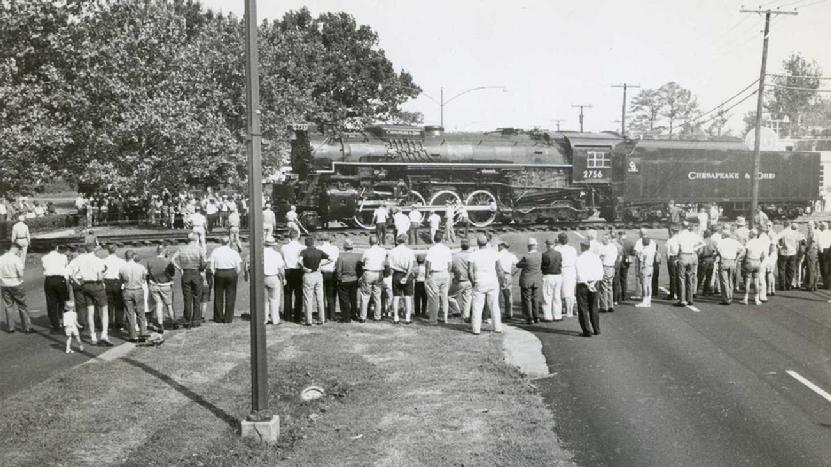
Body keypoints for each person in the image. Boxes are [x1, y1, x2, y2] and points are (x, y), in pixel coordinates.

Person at [72, 243, 112, 345]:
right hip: (96, 285)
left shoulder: (81, 260)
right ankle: (104, 334)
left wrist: (78, 282)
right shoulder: (97, 260)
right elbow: (99, 277)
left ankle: (93, 336)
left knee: (90, 310)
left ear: (85, 250)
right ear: (94, 249)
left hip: (85, 285)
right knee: (104, 309)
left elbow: (71, 273)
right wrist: (104, 275)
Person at [469, 234, 504, 335]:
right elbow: (499, 269)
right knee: (494, 306)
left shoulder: (473, 254)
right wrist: (502, 281)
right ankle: (497, 327)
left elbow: (470, 271)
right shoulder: (494, 253)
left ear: (478, 243)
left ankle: (476, 329)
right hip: (492, 281)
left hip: (479, 281)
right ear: (487, 242)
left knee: (477, 306)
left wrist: (473, 282)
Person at [171, 233, 206, 327]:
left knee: (187, 298)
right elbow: (204, 263)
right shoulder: (199, 249)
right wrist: (201, 268)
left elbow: (172, 259)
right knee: (197, 298)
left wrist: (179, 268)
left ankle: (187, 320)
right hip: (196, 273)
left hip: (185, 273)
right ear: (196, 239)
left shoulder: (182, 248)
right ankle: (196, 320)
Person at [1, 243, 33, 333]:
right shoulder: (16, 259)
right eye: (19, 250)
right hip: (16, 283)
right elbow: (20, 274)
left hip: (4, 284)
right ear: (16, 249)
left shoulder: (1, 258)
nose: (20, 252)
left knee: (8, 306)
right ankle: (27, 327)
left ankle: (10, 328)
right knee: (22, 305)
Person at [210, 237, 243, 324]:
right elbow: (239, 268)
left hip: (219, 272)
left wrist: (214, 273)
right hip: (231, 272)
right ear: (229, 242)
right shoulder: (234, 252)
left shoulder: (215, 251)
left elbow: (211, 266)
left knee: (218, 295)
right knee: (231, 296)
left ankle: (219, 317)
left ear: (221, 242)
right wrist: (235, 274)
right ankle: (228, 318)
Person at [119, 250, 149, 342]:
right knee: (141, 313)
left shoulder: (122, 268)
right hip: (138, 290)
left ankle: (132, 335)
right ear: (133, 256)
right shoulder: (141, 267)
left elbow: (121, 280)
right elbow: (144, 278)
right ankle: (143, 333)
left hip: (128, 290)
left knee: (130, 313)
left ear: (126, 257)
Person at [299, 235, 330, 325]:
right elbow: (331, 259)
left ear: (306, 244)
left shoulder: (304, 252)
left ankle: (309, 320)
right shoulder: (319, 251)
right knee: (320, 298)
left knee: (308, 298)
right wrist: (321, 265)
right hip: (318, 274)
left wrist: (304, 268)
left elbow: (299, 261)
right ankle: (321, 319)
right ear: (313, 243)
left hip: (309, 274)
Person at [145, 244, 176, 332]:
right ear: (164, 251)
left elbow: (149, 274)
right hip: (165, 285)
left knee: (159, 304)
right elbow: (172, 273)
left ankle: (160, 324)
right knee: (169, 304)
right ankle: (173, 321)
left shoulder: (150, 261)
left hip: (154, 285)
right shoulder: (167, 261)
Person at [575, 240, 603, 337]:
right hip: (594, 283)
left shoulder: (579, 258)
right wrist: (593, 284)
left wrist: (587, 284)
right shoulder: (596, 258)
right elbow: (600, 272)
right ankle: (596, 328)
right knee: (594, 307)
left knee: (583, 308)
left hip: (583, 285)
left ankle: (587, 331)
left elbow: (579, 274)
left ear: (582, 247)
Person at [425, 230, 453, 324]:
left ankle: (434, 319)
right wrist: (447, 273)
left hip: (435, 274)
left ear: (434, 239)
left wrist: (426, 276)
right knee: (444, 297)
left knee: (434, 297)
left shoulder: (432, 249)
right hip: (445, 273)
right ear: (442, 239)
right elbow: (450, 264)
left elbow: (428, 264)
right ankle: (445, 318)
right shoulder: (447, 249)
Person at [389, 235, 417, 324]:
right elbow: (411, 265)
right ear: (405, 241)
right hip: (407, 274)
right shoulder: (409, 251)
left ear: (397, 241)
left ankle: (396, 317)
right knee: (408, 297)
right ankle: (407, 318)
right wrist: (407, 275)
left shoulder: (392, 251)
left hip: (397, 274)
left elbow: (391, 266)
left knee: (396, 297)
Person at [42, 243, 69, 331]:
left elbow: (44, 267)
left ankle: (55, 324)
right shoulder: (63, 257)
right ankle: (66, 321)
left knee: (51, 302)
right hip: (60, 279)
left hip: (49, 280)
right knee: (64, 301)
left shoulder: (44, 258)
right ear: (56, 248)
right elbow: (65, 266)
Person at [676, 221, 704, 306]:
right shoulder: (693, 235)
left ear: (681, 226)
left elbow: (676, 247)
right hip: (691, 255)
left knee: (681, 278)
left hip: (683, 255)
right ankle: (690, 299)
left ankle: (682, 300)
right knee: (690, 278)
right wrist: (694, 248)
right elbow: (703, 243)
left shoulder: (679, 235)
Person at [360, 236, 386, 322]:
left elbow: (362, 261)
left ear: (369, 242)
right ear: (378, 242)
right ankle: (377, 316)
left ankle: (363, 316)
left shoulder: (367, 251)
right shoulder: (383, 251)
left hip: (369, 272)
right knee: (377, 295)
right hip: (379, 273)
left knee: (365, 295)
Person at [517, 237, 543, 324]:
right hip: (536, 280)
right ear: (535, 246)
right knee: (535, 299)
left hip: (526, 281)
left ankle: (529, 318)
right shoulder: (540, 255)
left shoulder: (526, 257)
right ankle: (536, 317)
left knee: (527, 300)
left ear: (528, 246)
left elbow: (518, 265)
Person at [281, 230, 305, 322]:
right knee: (299, 294)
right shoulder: (302, 247)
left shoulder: (284, 247)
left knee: (287, 294)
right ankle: (297, 316)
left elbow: (283, 258)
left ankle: (287, 316)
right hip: (298, 271)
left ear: (289, 237)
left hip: (287, 270)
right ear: (298, 236)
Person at [335, 239, 362, 323]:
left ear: (344, 247)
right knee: (353, 298)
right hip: (354, 279)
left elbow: (338, 270)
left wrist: (339, 279)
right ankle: (353, 314)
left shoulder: (341, 257)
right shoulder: (357, 256)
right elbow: (359, 269)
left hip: (344, 279)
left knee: (344, 299)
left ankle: (346, 317)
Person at [102, 244, 126, 331]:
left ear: (108, 251)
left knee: (109, 304)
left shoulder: (103, 261)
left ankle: (109, 324)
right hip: (118, 282)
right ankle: (119, 324)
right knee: (119, 304)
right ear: (116, 250)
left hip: (107, 282)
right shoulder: (122, 261)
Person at [554, 233, 578, 317]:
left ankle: (567, 311)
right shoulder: (572, 249)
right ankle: (570, 310)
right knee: (570, 291)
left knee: (563, 292)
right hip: (571, 270)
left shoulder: (557, 248)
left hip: (563, 270)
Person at [741, 229, 767, 305]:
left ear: (751, 235)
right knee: (756, 281)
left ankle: (745, 298)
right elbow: (763, 255)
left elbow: (745, 253)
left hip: (749, 261)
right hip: (757, 261)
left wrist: (744, 262)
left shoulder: (749, 243)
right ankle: (756, 299)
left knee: (748, 281)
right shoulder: (761, 243)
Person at [451, 238, 473, 322]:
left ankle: (456, 310)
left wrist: (456, 275)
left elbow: (452, 268)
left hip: (460, 279)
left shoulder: (455, 256)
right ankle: (466, 316)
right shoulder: (472, 255)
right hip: (470, 280)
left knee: (449, 296)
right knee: (467, 299)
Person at [263, 237, 285, 325]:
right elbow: (280, 269)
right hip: (273, 277)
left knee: (264, 300)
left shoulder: (260, 253)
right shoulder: (276, 254)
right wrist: (283, 278)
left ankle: (265, 318)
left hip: (262, 277)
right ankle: (275, 319)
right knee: (274, 299)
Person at [716, 231, 742, 305]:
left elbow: (717, 250)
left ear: (724, 235)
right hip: (732, 261)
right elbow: (742, 249)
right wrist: (737, 258)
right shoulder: (734, 242)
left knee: (724, 281)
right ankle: (730, 296)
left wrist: (718, 255)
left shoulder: (721, 242)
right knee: (730, 280)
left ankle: (726, 298)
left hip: (724, 261)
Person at [318, 233, 339, 322]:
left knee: (321, 295)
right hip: (332, 272)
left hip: (321, 272)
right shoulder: (335, 248)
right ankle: (332, 314)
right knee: (331, 295)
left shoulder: (318, 248)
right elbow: (336, 260)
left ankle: (324, 315)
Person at [540, 238, 563, 321]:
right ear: (554, 245)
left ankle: (548, 316)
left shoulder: (544, 254)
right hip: (558, 276)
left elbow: (542, 266)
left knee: (547, 297)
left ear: (547, 245)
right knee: (557, 297)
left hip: (548, 276)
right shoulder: (559, 253)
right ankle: (557, 315)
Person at [634, 229, 657, 308]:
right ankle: (648, 300)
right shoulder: (652, 245)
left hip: (644, 267)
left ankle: (644, 301)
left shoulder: (643, 252)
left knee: (644, 284)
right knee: (649, 284)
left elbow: (638, 255)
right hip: (651, 266)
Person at [497, 239, 519, 319]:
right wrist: (512, 273)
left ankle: (498, 312)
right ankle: (509, 313)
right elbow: (518, 265)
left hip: (498, 275)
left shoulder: (497, 254)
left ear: (502, 246)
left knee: (498, 295)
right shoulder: (511, 255)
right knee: (508, 295)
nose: (498, 247)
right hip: (508, 275)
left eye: (499, 245)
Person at [778, 221, 802, 290]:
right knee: (790, 269)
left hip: (784, 252)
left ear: (784, 225)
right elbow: (800, 240)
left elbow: (776, 239)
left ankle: (782, 285)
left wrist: (779, 246)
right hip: (792, 252)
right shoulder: (794, 233)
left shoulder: (783, 232)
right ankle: (789, 284)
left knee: (782, 269)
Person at [598, 234, 618, 312]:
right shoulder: (613, 247)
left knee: (603, 287)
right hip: (611, 267)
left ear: (607, 239)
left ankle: (604, 306)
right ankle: (610, 305)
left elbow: (601, 258)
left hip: (605, 267)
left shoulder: (604, 248)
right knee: (610, 287)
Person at [696, 230, 716, 296]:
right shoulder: (713, 242)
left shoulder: (702, 242)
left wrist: (698, 257)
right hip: (711, 259)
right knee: (709, 276)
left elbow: (700, 252)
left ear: (705, 234)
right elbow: (716, 251)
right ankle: (706, 291)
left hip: (704, 259)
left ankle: (695, 290)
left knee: (700, 276)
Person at [665, 227, 680, 301]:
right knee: (679, 276)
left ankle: (672, 294)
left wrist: (668, 260)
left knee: (672, 277)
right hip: (679, 257)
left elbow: (667, 253)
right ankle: (680, 294)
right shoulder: (680, 240)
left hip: (672, 257)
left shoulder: (670, 240)